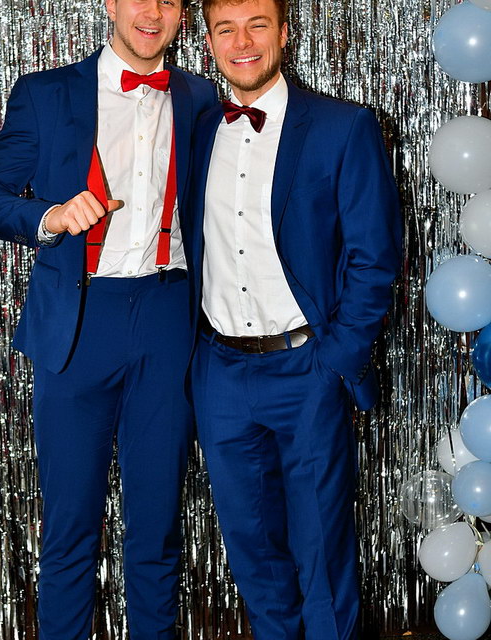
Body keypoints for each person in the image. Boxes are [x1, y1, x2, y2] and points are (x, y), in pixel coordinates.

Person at [0, 0, 217, 637]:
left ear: (182, 15)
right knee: (71, 527)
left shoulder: (200, 98)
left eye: (168, 0)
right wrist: (46, 217)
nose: (152, 12)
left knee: (156, 527)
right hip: (78, 325)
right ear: (110, 3)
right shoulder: (46, 94)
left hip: (167, 319)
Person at [186, 0, 401, 638]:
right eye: (226, 29)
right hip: (219, 372)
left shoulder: (342, 127)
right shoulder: (198, 129)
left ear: (284, 32)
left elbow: (374, 255)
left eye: (257, 25)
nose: (242, 42)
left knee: (322, 556)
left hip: (307, 368)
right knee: (253, 557)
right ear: (209, 41)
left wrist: (336, 359)